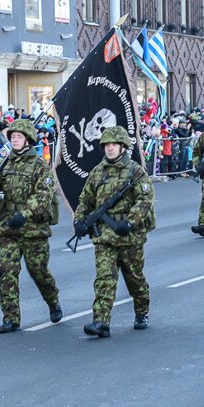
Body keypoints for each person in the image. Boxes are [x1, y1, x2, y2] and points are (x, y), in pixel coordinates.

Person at [0, 119, 62, 333]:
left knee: (38, 271)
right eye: (12, 137)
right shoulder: (4, 164)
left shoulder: (39, 166)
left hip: (33, 228)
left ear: (27, 139)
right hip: (10, 227)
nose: (15, 140)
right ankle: (11, 317)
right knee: (7, 271)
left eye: (19, 136)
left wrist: (25, 214)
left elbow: (44, 195)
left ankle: (53, 301)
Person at [75, 126, 155, 338]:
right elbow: (85, 200)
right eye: (107, 145)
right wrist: (79, 221)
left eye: (114, 145)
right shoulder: (97, 172)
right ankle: (101, 321)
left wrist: (130, 221)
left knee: (134, 278)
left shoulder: (135, 171)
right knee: (104, 279)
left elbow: (145, 199)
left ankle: (142, 311)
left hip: (129, 236)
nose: (110, 149)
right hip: (105, 236)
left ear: (123, 147)